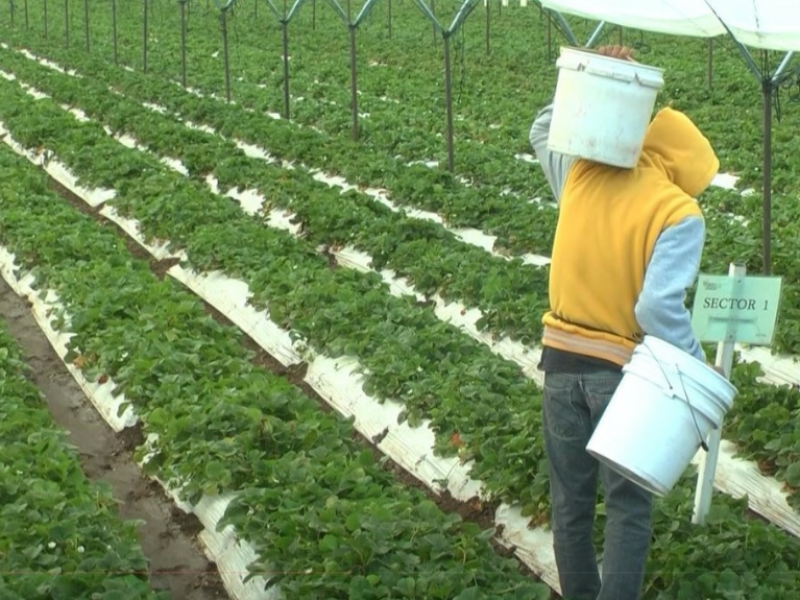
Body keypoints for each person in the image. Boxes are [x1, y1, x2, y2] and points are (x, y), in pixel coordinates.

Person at [528, 45, 720, 600]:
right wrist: (694, 369)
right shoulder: (678, 211)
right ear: (686, 168)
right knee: (628, 510)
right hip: (623, 377)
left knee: (570, 506)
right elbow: (657, 310)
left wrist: (592, 76)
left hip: (560, 367)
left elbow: (544, 126)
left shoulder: (581, 173)